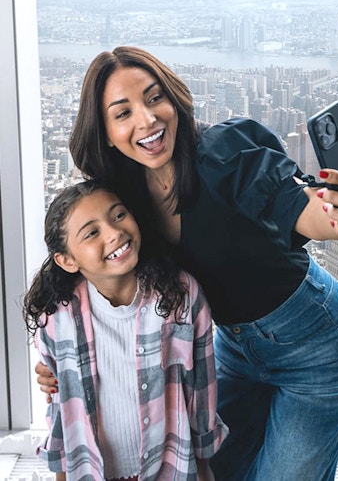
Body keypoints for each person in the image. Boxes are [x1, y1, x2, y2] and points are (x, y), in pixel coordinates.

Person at [36, 46, 338, 481]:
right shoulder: (120, 200)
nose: (147, 120)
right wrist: (57, 362)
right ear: (104, 131)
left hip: (317, 347)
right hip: (232, 351)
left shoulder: (224, 155)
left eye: (155, 98)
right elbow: (84, 273)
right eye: (123, 113)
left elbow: (304, 208)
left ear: (174, 98)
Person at [24, 180, 228, 481]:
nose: (114, 232)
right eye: (92, 233)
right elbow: (61, 409)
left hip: (171, 467)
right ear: (67, 260)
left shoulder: (182, 297)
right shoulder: (57, 319)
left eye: (118, 215)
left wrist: (203, 466)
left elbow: (201, 392)